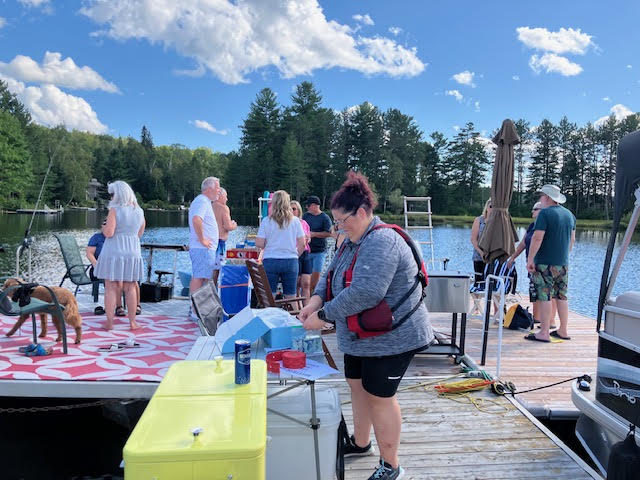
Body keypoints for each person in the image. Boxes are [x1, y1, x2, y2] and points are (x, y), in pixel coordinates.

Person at [299, 171, 433, 480]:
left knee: (380, 396)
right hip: (361, 335)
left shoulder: (381, 240)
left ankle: (391, 465)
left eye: (342, 221)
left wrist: (325, 317)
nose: (339, 228)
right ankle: (361, 443)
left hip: (393, 335)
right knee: (357, 386)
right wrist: (314, 303)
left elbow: (366, 292)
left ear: (361, 212)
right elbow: (331, 278)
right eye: (336, 223)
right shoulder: (350, 241)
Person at [526, 185, 576, 342]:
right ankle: (563, 330)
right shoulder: (569, 215)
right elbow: (572, 240)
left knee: (545, 296)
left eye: (541, 196)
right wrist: (563, 256)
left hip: (545, 263)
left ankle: (544, 332)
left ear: (547, 197)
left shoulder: (545, 214)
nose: (540, 199)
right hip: (563, 264)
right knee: (562, 296)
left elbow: (537, 237)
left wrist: (530, 259)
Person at [94, 181, 145, 330]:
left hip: (115, 251)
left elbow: (109, 233)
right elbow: (140, 233)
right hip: (133, 251)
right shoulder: (139, 211)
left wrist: (103, 228)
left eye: (112, 194)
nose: (111, 197)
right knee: (130, 287)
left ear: (117, 194)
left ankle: (109, 323)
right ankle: (132, 322)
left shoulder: (115, 210)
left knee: (111, 287)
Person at [255, 191, 305, 298]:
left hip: (271, 260)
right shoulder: (295, 221)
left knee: (270, 297)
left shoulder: (266, 221)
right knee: (291, 296)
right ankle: (293, 314)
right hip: (290, 261)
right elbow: (302, 243)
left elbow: (259, 243)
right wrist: (296, 255)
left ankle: (270, 313)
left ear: (273, 203)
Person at [86, 219, 141, 316]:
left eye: (109, 224)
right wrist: (98, 265)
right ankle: (119, 307)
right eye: (104, 224)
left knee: (132, 278)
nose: (107, 226)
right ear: (101, 226)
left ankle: (137, 305)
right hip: (99, 268)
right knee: (117, 279)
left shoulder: (117, 239)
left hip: (117, 267)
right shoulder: (96, 238)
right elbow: (89, 254)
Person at [507, 202, 547, 324]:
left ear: (542, 211)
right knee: (534, 290)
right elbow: (523, 244)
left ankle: (539, 319)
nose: (532, 212)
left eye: (535, 209)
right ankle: (536, 318)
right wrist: (512, 257)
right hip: (531, 264)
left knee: (541, 291)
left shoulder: (545, 226)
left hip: (541, 263)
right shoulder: (531, 226)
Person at [188, 177, 221, 309]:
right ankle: (195, 309)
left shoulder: (204, 202)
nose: (219, 191)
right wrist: (202, 239)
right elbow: (197, 219)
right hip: (202, 248)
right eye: (217, 187)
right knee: (199, 277)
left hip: (205, 248)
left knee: (204, 278)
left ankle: (200, 308)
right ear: (209, 188)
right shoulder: (202, 201)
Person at [302, 195, 333, 293]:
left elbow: (329, 233)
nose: (306, 207)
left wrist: (314, 234)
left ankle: (314, 296)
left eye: (308, 205)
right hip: (307, 251)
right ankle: (307, 298)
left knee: (316, 278)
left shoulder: (325, 218)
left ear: (315, 206)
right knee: (305, 279)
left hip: (319, 252)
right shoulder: (306, 216)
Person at [212, 187, 237, 285]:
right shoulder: (224, 208)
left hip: (210, 242)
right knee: (218, 269)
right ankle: (216, 290)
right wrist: (234, 225)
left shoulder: (210, 206)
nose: (227, 199)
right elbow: (228, 226)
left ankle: (208, 290)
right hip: (220, 242)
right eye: (226, 196)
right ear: (220, 196)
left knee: (210, 268)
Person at [291, 200, 312, 302]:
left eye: (294, 209)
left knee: (306, 283)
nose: (292, 211)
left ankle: (307, 308)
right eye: (290, 209)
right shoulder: (287, 224)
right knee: (296, 283)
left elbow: (309, 237)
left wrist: (308, 238)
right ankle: (297, 307)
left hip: (305, 252)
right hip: (295, 253)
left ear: (298, 210)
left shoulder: (304, 223)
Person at [470, 198, 491, 288]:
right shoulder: (479, 220)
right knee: (478, 282)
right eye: (491, 206)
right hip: (479, 256)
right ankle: (477, 301)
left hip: (492, 257)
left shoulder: (498, 222)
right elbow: (473, 239)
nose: (492, 209)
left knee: (490, 282)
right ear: (486, 207)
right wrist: (481, 252)